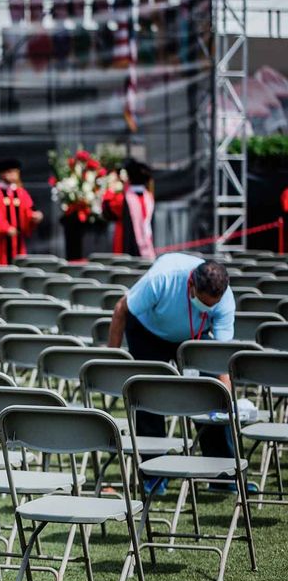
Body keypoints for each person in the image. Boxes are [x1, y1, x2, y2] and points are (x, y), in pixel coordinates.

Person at [108, 254, 239, 490]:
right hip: (147, 331)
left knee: (210, 396)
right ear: (191, 286)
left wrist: (224, 396)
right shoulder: (163, 278)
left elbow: (220, 356)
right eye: (203, 302)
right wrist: (111, 361)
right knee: (149, 397)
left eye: (212, 305)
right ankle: (154, 474)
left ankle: (221, 474)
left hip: (193, 337)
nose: (207, 308)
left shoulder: (225, 301)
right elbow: (120, 309)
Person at [0, 158, 42, 264]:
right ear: (2, 174)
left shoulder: (21, 192)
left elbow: (28, 211)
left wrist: (35, 217)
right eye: (10, 172)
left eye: (15, 171)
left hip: (17, 242)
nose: (14, 175)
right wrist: (6, 228)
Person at [103, 159, 156, 260]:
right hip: (146, 248)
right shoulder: (149, 198)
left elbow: (107, 209)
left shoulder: (122, 199)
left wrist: (111, 188)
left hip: (125, 246)